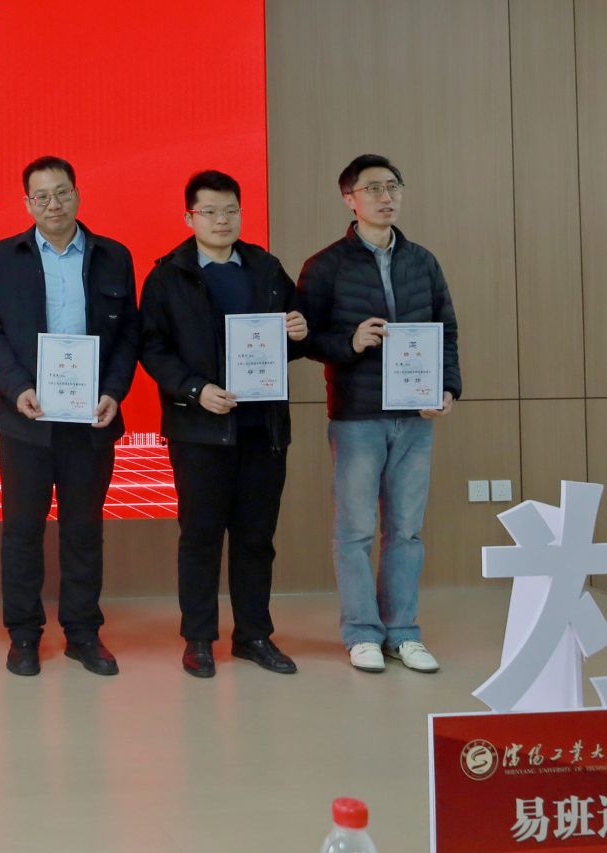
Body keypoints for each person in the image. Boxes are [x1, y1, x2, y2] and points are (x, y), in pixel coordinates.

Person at [0, 155, 138, 679]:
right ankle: (24, 634)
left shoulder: (113, 256)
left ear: (77, 195)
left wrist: (113, 391)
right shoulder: (4, 257)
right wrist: (16, 387)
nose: (53, 204)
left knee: (83, 531)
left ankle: (83, 633)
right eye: (41, 196)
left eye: (62, 192)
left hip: (91, 421)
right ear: (27, 204)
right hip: (27, 419)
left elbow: (128, 335)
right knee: (22, 531)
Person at [138, 169, 309, 679]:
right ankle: (198, 638)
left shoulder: (266, 267)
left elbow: (293, 337)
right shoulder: (168, 275)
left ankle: (254, 635)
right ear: (189, 217)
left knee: (256, 538)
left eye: (230, 210)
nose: (221, 220)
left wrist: (299, 331)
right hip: (199, 431)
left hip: (262, 428)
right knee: (201, 537)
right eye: (209, 211)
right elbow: (152, 348)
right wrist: (194, 389)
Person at [298, 155, 460, 675]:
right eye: (373, 189)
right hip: (358, 415)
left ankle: (403, 632)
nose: (386, 197)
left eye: (393, 187)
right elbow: (304, 340)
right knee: (355, 531)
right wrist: (350, 342)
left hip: (415, 414)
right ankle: (362, 633)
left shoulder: (422, 262)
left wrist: (449, 387)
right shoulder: (325, 265)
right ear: (349, 198)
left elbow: (446, 330)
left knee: (407, 530)